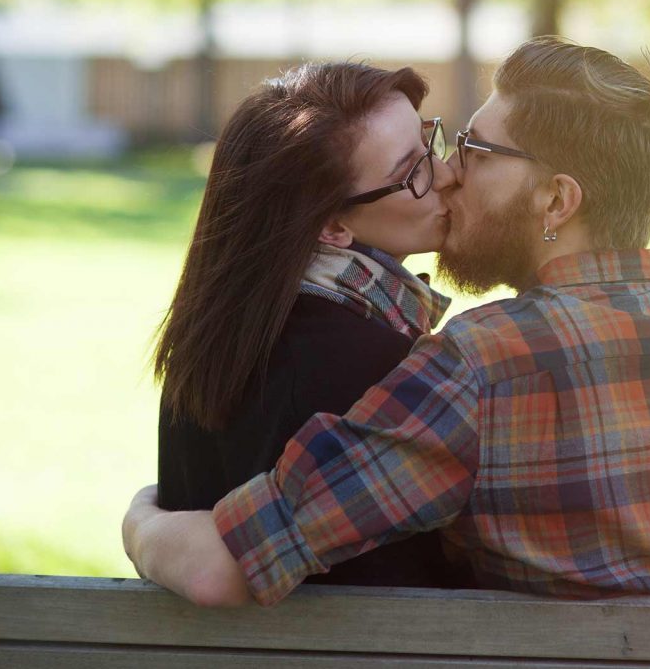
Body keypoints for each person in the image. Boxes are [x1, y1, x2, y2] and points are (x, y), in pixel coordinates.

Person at [123, 37, 650, 607]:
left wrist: (142, 519)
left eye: (475, 150)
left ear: (557, 201)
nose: (451, 173)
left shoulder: (481, 366)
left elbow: (236, 560)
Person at [152, 60, 470, 589]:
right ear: (332, 225)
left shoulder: (219, 334)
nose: (448, 174)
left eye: (428, 143)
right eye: (411, 172)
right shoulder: (367, 364)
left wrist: (143, 522)